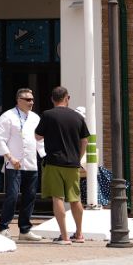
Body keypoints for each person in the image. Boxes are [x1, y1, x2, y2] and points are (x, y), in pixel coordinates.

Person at [34, 86, 89, 245]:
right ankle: (79, 234)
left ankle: (64, 237)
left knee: (57, 197)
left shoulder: (47, 115)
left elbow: (38, 136)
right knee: (75, 199)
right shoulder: (77, 117)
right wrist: (78, 158)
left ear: (52, 99)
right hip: (72, 164)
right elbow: (85, 140)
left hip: (54, 162)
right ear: (67, 98)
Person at [0, 88, 45, 241]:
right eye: (28, 99)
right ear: (19, 100)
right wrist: (10, 157)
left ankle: (25, 230)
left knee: (30, 196)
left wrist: (45, 156)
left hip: (31, 164)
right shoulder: (7, 116)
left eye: (32, 99)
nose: (31, 102)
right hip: (13, 164)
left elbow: (39, 140)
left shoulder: (35, 117)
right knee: (12, 195)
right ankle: (4, 227)